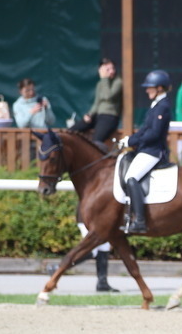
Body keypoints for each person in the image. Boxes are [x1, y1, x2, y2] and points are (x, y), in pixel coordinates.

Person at [117, 70, 173, 234]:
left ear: (160, 88)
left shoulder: (163, 106)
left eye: (150, 87)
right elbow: (144, 129)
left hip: (154, 151)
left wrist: (132, 141)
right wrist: (129, 139)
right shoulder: (155, 105)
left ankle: (140, 221)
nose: (147, 90)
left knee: (131, 177)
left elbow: (154, 133)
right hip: (146, 149)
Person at [70, 58, 123, 147]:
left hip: (110, 116)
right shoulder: (100, 84)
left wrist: (104, 79)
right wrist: (90, 114)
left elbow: (108, 96)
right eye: (107, 69)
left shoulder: (118, 82)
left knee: (96, 141)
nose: (111, 71)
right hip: (98, 115)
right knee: (72, 130)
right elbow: (97, 102)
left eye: (112, 68)